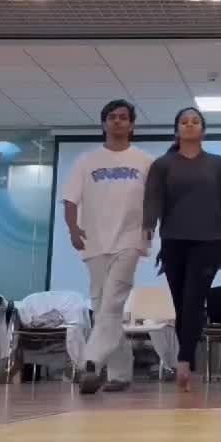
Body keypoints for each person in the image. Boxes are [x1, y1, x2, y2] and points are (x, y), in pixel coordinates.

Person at [62, 99, 153, 395]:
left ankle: (89, 363)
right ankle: (120, 373)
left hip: (130, 240)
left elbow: (154, 200)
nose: (117, 121)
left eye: (123, 117)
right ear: (104, 123)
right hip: (94, 242)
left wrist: (150, 228)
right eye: (112, 117)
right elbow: (70, 199)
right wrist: (72, 228)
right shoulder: (86, 161)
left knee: (112, 302)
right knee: (103, 307)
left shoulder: (145, 161)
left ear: (131, 124)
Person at [143, 106, 221, 391]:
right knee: (181, 303)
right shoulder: (163, 164)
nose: (190, 125)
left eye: (195, 121)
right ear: (176, 130)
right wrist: (148, 226)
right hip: (174, 241)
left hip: (209, 241)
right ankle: (187, 360)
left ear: (203, 130)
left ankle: (183, 362)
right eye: (184, 121)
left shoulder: (217, 164)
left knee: (194, 299)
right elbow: (153, 198)